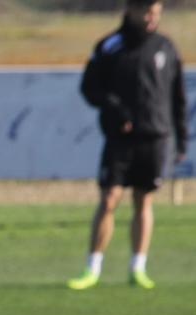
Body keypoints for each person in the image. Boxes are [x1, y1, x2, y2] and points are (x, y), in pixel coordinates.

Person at [68, 0, 186, 290]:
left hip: (155, 135)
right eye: (146, 12)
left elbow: (177, 97)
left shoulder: (165, 47)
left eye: (156, 13)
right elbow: (90, 88)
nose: (151, 19)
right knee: (109, 199)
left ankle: (138, 267)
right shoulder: (109, 46)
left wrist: (181, 137)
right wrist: (115, 109)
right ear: (131, 10)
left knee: (143, 201)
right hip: (120, 138)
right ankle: (92, 268)